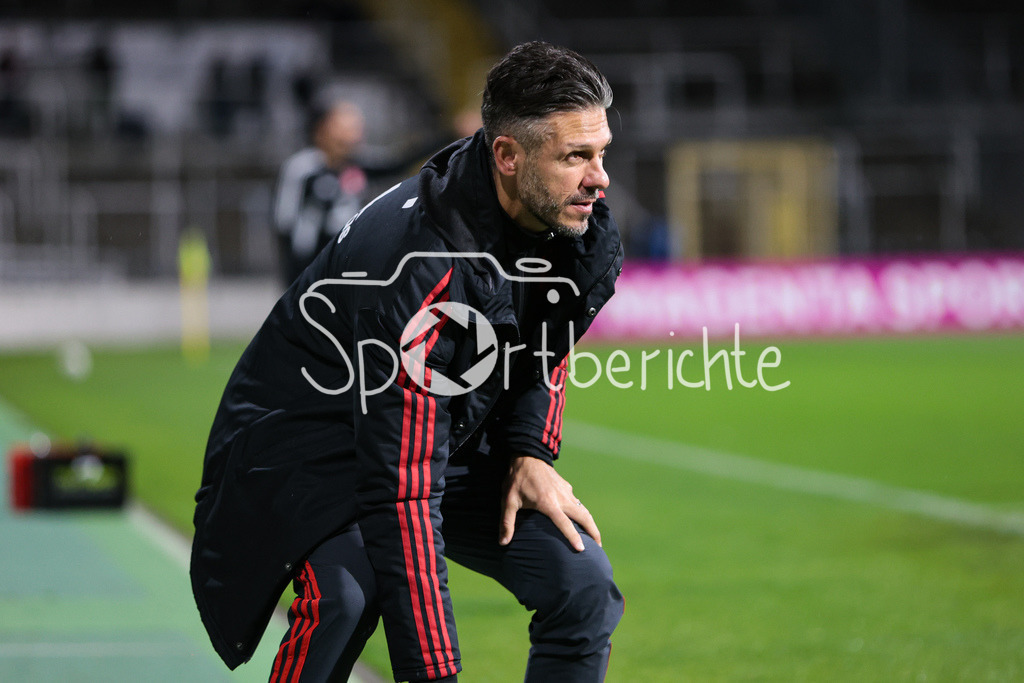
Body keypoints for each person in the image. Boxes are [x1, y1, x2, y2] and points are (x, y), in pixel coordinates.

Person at [191, 41, 625, 682]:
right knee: (348, 594)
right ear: (506, 156)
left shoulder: (573, 228)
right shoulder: (419, 269)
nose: (600, 177)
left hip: (431, 439)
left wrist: (531, 450)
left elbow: (541, 350)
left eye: (601, 153)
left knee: (583, 583)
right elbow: (403, 485)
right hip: (310, 446)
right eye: (575, 157)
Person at [273, 100, 369, 287]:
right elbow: (284, 220)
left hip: (346, 262)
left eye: (356, 128)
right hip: (307, 264)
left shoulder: (358, 167)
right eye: (343, 128)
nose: (352, 136)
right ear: (322, 130)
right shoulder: (302, 168)